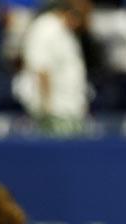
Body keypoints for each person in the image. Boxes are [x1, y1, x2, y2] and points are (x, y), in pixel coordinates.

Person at [12, 0, 92, 134]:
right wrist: (46, 108)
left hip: (70, 109)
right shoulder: (45, 28)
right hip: (55, 111)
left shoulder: (65, 30)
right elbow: (41, 69)